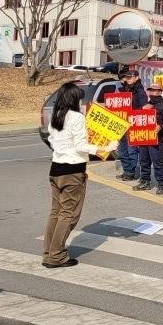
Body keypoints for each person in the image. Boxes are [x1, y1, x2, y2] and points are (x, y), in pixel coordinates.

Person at [43, 82, 118, 267]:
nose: (80, 100)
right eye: (79, 97)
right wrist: (106, 147)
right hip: (73, 170)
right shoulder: (76, 117)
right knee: (69, 214)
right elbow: (80, 146)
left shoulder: (55, 116)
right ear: (73, 99)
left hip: (56, 168)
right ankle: (56, 256)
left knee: (56, 212)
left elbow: (52, 141)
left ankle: (49, 252)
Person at [134, 83, 163, 194]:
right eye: (151, 90)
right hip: (143, 138)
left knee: (157, 163)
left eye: (155, 90)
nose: (153, 93)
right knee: (144, 161)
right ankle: (145, 182)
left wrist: (161, 127)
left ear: (160, 92)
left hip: (157, 140)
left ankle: (161, 184)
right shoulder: (145, 106)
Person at [115, 67, 149, 182]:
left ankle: (131, 172)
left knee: (132, 150)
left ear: (136, 78)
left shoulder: (140, 91)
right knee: (122, 150)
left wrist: (132, 113)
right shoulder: (124, 89)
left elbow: (144, 108)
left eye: (130, 77)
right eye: (127, 77)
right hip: (122, 123)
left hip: (133, 124)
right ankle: (126, 170)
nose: (128, 79)